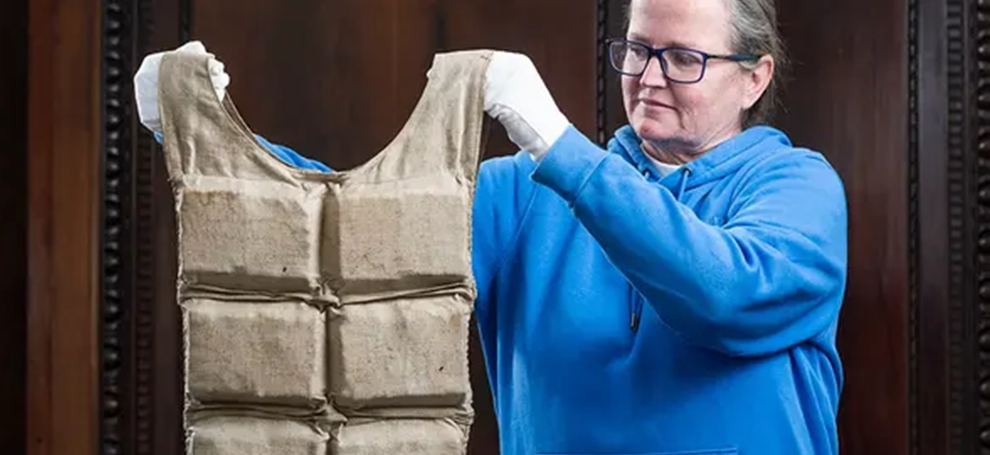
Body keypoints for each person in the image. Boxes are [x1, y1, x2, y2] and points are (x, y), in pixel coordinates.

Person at [135, 0, 848, 453]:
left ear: (755, 77)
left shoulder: (797, 189)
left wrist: (559, 148)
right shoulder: (522, 193)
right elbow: (347, 230)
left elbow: (725, 294)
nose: (649, 76)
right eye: (637, 49)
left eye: (683, 58)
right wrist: (207, 134)